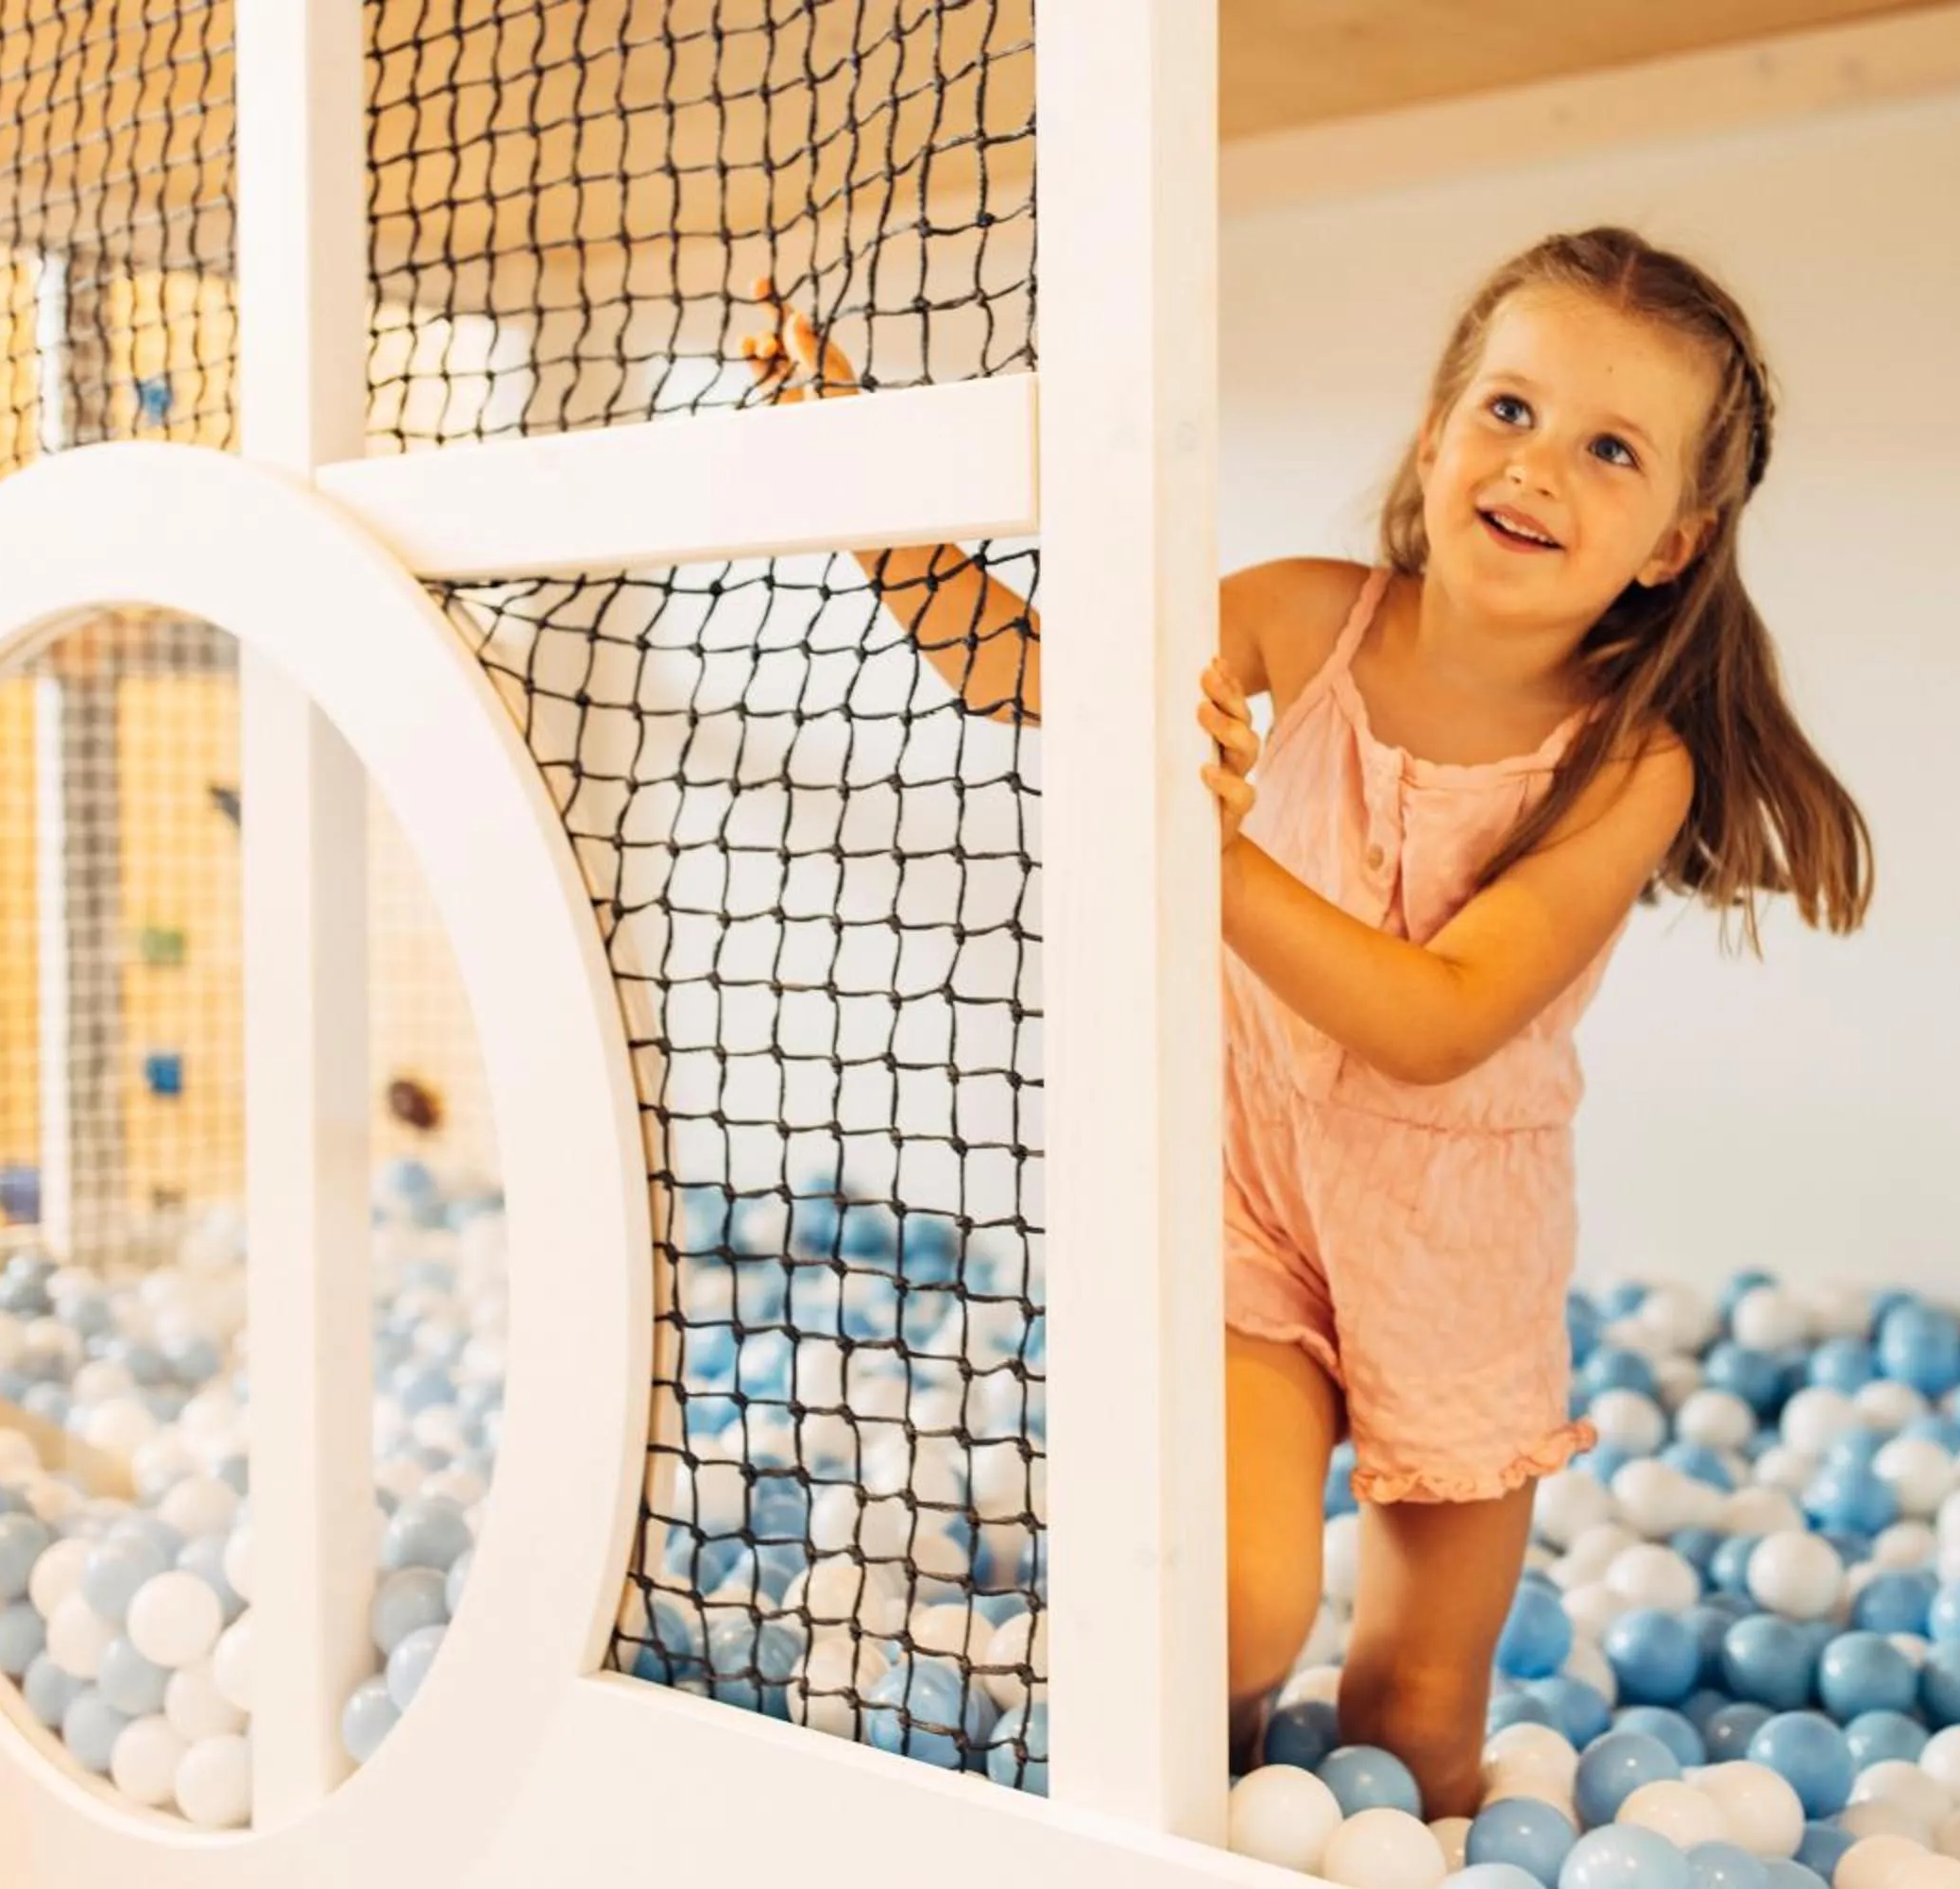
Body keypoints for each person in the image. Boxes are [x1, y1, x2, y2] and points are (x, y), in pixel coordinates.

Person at [742, 225, 1872, 1818]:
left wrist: (1214, 862)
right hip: (1251, 1192)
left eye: (1609, 450)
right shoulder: (1305, 620)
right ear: (1434, 434)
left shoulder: (1631, 762)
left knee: (1415, 1712)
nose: (1538, 465)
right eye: (1510, 410)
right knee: (1230, 1615)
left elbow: (1442, 1020)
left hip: (1458, 1248)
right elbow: (1025, 672)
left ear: (1674, 544)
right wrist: (871, 469)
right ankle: (1188, 1824)